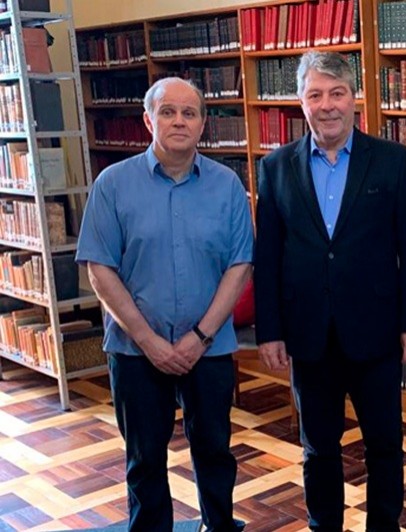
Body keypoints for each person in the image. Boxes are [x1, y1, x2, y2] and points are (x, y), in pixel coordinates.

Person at [253, 51, 406, 532]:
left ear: (355, 99)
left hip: (376, 335)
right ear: (300, 102)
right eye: (315, 95)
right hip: (308, 337)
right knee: (318, 449)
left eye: (336, 93)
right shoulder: (275, 168)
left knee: (385, 446)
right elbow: (267, 256)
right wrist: (270, 331)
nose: (326, 105)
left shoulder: (393, 161)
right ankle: (322, 525)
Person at [76, 77, 253, 532]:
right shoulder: (112, 184)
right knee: (144, 459)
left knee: (215, 450)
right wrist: (149, 340)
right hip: (136, 352)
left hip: (209, 349)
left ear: (202, 124)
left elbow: (239, 266)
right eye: (168, 111)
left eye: (189, 113)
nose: (179, 121)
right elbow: (100, 269)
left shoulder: (226, 185)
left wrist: (199, 337)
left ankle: (219, 526)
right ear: (147, 119)